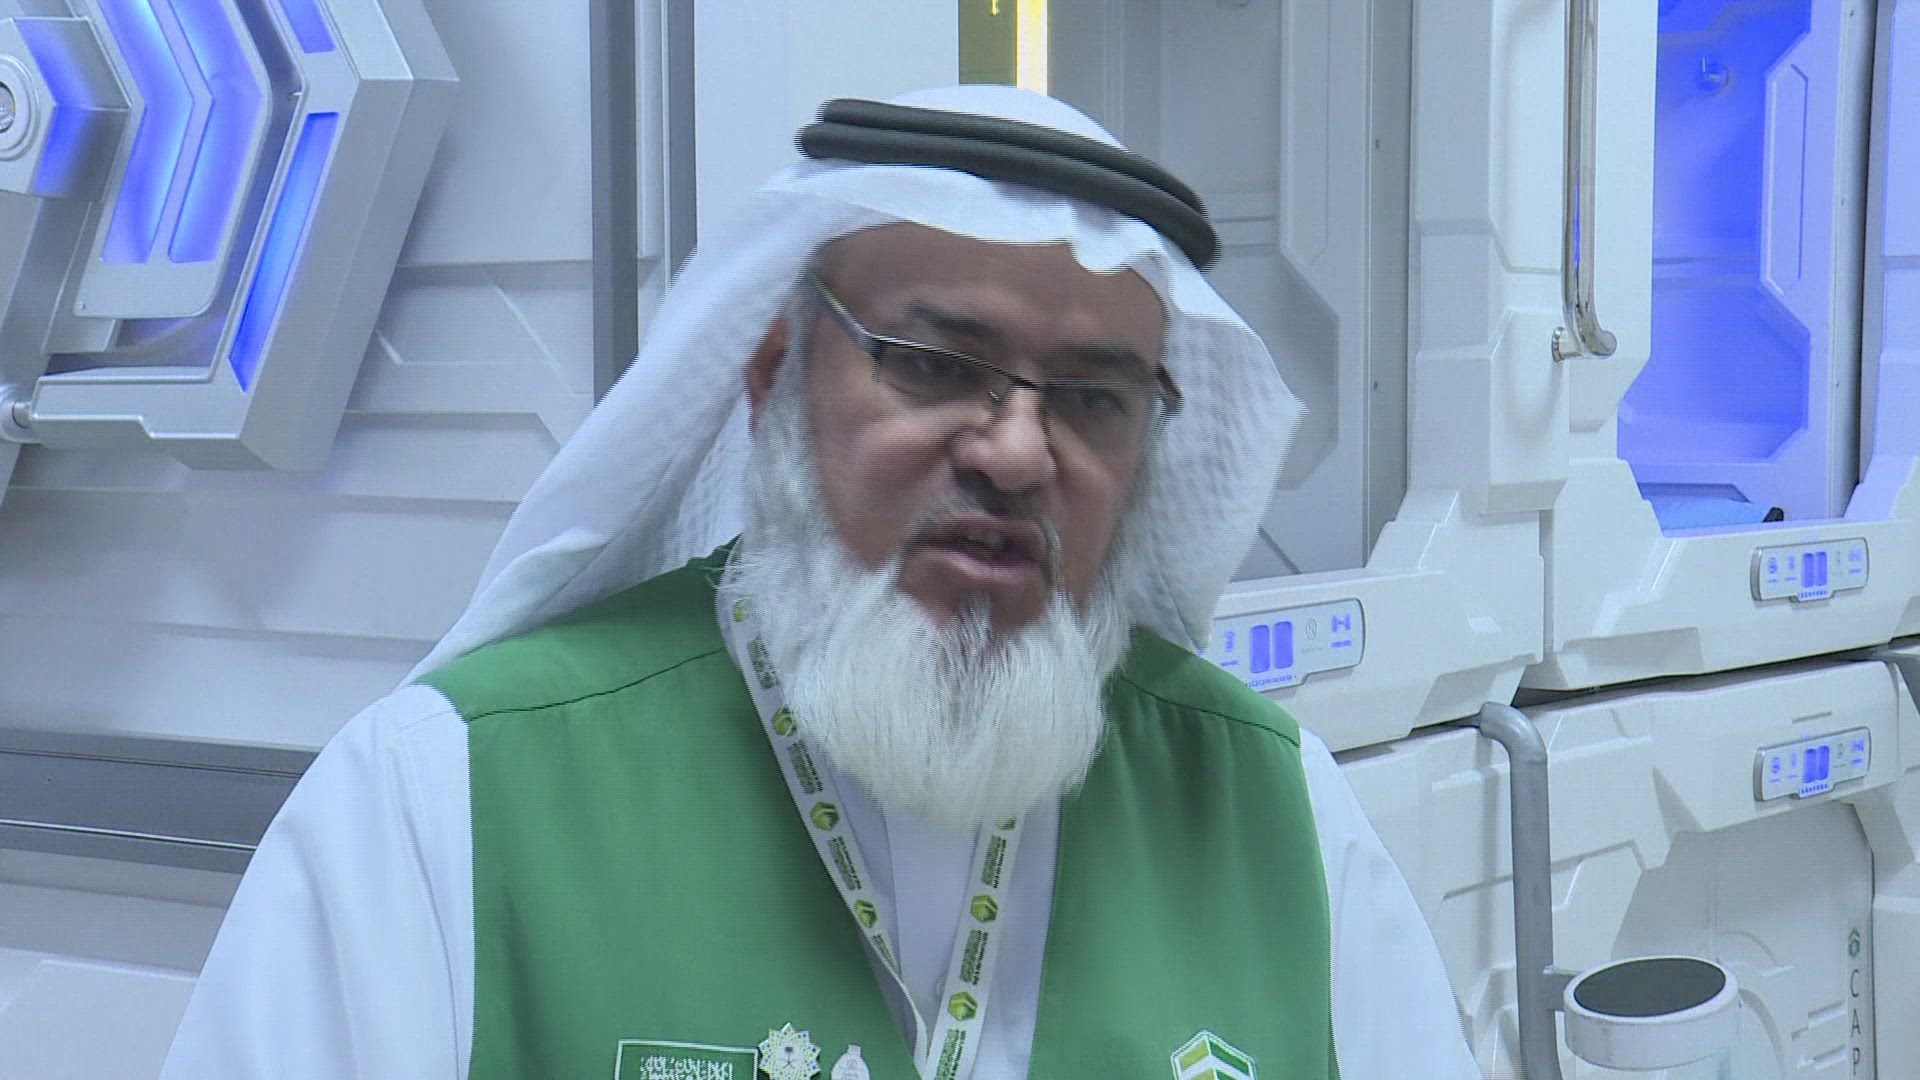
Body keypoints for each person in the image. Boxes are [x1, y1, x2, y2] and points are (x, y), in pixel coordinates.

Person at [160, 86, 1481, 1080]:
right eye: (935, 363)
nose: (1018, 451)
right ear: (773, 377)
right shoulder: (439, 797)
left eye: (1094, 398)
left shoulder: (1281, 815)